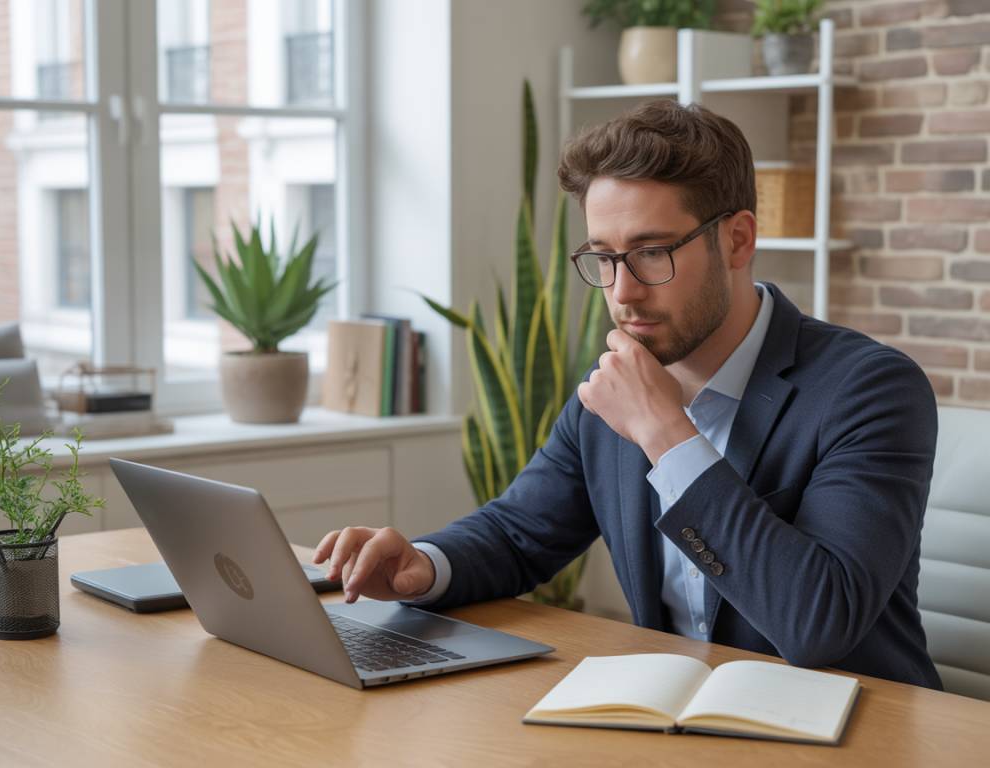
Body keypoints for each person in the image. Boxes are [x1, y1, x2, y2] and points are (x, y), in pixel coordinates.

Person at [313, 100, 942, 689]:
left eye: (651, 253)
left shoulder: (871, 390)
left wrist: (666, 433)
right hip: (684, 723)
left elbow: (818, 623)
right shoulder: (616, 390)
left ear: (738, 240)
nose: (622, 292)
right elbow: (518, 533)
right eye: (604, 258)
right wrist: (424, 564)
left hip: (855, 727)